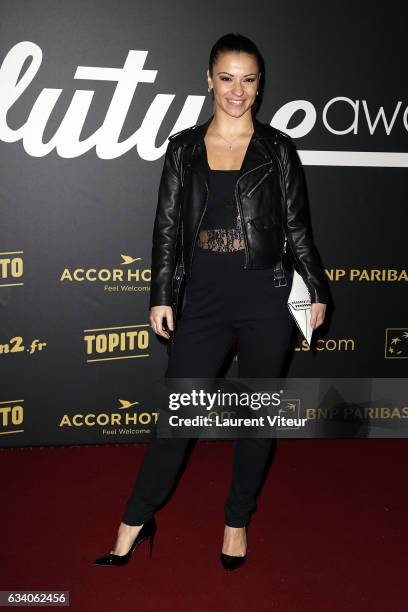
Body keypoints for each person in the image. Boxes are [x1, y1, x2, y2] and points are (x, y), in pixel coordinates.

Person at [94, 32, 329, 571]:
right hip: (201, 300)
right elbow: (167, 229)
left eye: (248, 79)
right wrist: (161, 295)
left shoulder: (277, 148)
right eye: (227, 78)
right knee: (176, 417)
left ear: (259, 84)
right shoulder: (182, 148)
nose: (237, 91)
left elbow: (296, 228)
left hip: (267, 297)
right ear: (209, 80)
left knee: (257, 417)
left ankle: (237, 520)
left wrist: (315, 288)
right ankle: (136, 517)